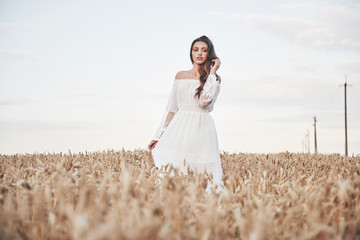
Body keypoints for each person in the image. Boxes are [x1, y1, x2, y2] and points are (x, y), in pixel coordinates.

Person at [148, 35, 222, 188]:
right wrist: (158, 135)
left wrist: (213, 73)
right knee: (171, 170)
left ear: (210, 54)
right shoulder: (180, 76)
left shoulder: (214, 78)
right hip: (179, 127)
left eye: (204, 50)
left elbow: (204, 102)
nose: (199, 53)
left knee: (205, 173)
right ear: (191, 53)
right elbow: (172, 109)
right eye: (196, 50)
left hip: (203, 128)